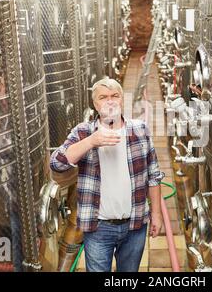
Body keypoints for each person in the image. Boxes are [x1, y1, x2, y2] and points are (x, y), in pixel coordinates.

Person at [50, 78, 163, 272]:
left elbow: (153, 175)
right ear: (95, 104)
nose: (110, 101)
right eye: (103, 97)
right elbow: (57, 163)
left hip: (134, 225)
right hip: (98, 227)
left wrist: (157, 214)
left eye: (114, 96)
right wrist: (91, 142)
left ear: (122, 100)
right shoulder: (84, 132)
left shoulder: (140, 130)